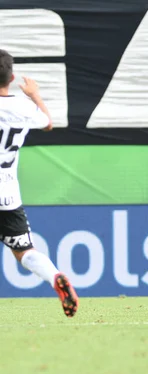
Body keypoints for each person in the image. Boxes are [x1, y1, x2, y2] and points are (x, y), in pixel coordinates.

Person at [0, 49, 79, 317]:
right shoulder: (23, 108)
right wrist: (34, 95)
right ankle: (55, 275)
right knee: (24, 251)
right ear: (11, 77)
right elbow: (47, 124)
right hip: (7, 195)